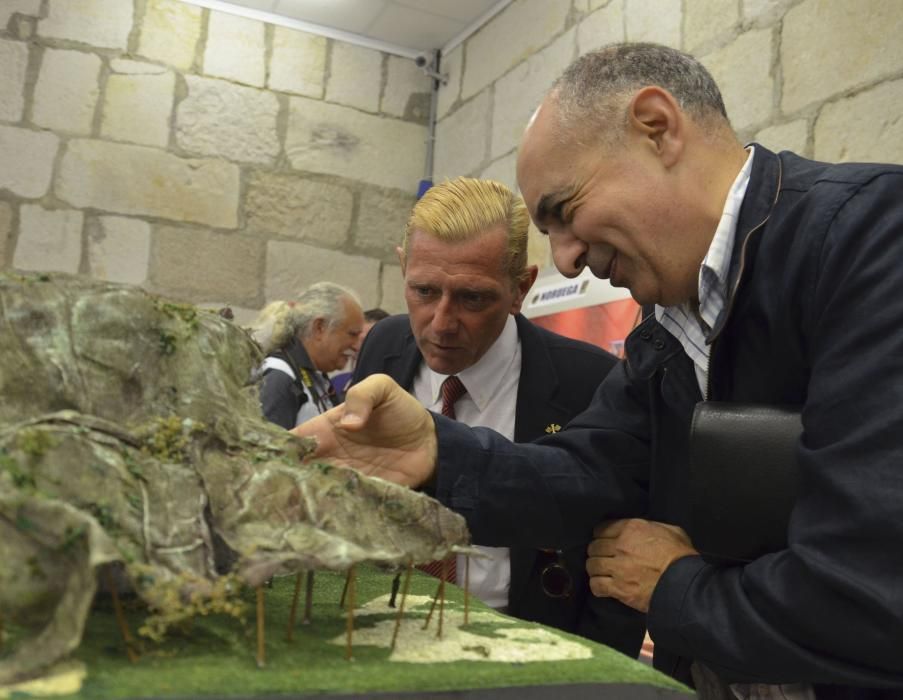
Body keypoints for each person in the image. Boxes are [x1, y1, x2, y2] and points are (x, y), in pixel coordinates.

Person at [295, 42, 903, 698]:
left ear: (655, 127)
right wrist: (435, 450)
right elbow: (589, 473)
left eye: (563, 212)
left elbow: (869, 594)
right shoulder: (664, 326)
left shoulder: (871, 242)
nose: (565, 260)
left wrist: (674, 587)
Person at [352, 176, 643, 654]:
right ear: (403, 268)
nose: (441, 324)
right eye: (424, 291)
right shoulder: (384, 347)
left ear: (520, 288)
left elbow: (618, 560)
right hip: (383, 638)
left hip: (526, 653)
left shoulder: (589, 382)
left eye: (472, 298)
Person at [253, 282, 364, 429]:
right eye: (352, 334)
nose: (357, 346)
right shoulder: (279, 376)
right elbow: (264, 449)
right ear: (319, 327)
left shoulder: (315, 377)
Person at [331, 307, 390, 396]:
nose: (355, 346)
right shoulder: (337, 383)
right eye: (354, 337)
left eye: (366, 340)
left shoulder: (401, 385)